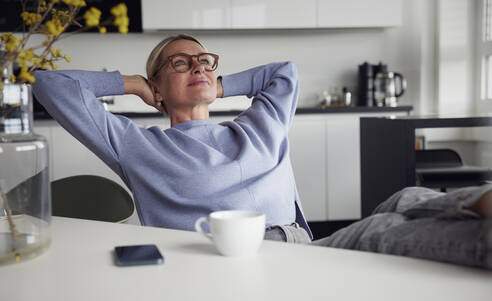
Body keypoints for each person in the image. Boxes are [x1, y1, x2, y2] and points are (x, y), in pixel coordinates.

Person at [33, 34, 492, 269]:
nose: (196, 65)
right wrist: (133, 84)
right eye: (179, 63)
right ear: (157, 86)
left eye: (204, 61)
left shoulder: (259, 122)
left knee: (406, 199)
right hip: (236, 263)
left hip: (306, 249)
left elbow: (284, 72)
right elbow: (50, 84)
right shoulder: (138, 146)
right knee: (382, 230)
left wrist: (218, 84)